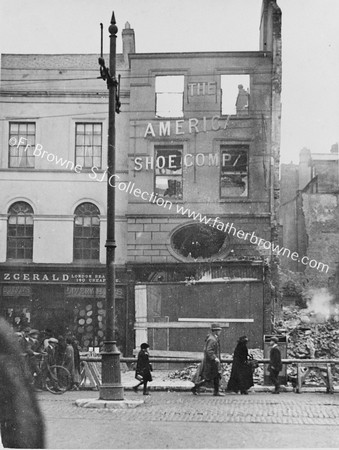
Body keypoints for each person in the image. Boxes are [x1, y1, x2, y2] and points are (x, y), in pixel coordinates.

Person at [191, 323, 224, 396]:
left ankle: (216, 391)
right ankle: (196, 388)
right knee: (209, 377)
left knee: (215, 376)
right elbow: (209, 350)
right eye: (219, 330)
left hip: (212, 362)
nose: (220, 332)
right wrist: (215, 358)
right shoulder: (212, 339)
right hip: (211, 362)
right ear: (215, 331)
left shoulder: (213, 338)